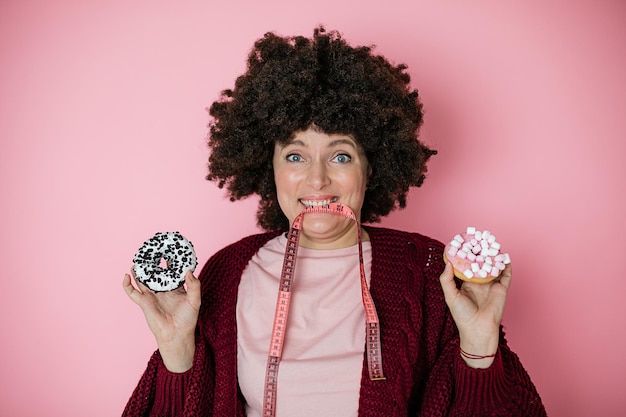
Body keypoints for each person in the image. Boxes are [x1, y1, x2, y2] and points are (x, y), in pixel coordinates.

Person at [122, 27, 546, 416]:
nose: (318, 178)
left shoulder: (433, 270)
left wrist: (479, 349)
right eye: (295, 155)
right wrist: (177, 356)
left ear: (371, 167)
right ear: (267, 166)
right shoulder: (227, 272)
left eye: (341, 155)